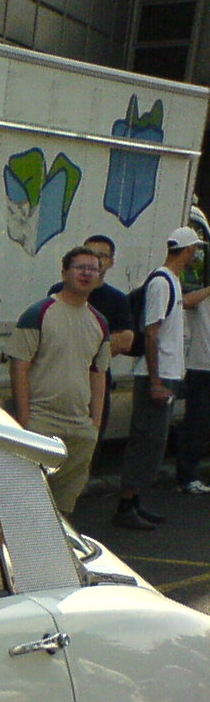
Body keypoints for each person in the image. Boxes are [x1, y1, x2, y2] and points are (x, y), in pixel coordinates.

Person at [115, 226, 210, 527]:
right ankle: (126, 505)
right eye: (195, 249)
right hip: (155, 375)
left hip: (166, 373)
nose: (196, 255)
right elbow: (152, 332)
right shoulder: (162, 282)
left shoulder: (172, 281)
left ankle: (135, 501)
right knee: (145, 440)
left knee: (154, 443)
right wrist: (156, 382)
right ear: (187, 250)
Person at [7, 246, 111, 519]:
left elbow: (98, 373)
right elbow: (19, 366)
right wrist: (24, 419)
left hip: (79, 428)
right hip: (41, 421)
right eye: (80, 267)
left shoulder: (99, 322)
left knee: (63, 507)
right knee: (27, 501)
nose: (86, 273)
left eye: (93, 269)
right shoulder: (39, 313)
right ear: (64, 272)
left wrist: (94, 424)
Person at [48, 233, 134, 439]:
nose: (94, 260)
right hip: (56, 384)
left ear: (111, 262)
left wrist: (83, 347)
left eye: (101, 256)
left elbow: (126, 340)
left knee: (88, 444)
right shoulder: (58, 291)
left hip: (94, 386)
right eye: (89, 253)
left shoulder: (116, 299)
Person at [175, 287, 210, 495]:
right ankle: (187, 477)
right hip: (202, 368)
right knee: (196, 424)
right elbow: (184, 302)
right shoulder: (202, 298)